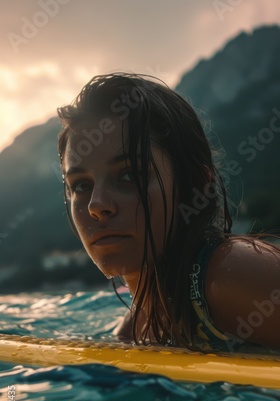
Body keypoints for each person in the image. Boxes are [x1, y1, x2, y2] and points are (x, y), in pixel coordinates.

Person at [57, 72, 280, 353]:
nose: (96, 205)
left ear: (195, 185)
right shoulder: (132, 330)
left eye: (129, 175)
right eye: (81, 185)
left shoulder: (229, 275)